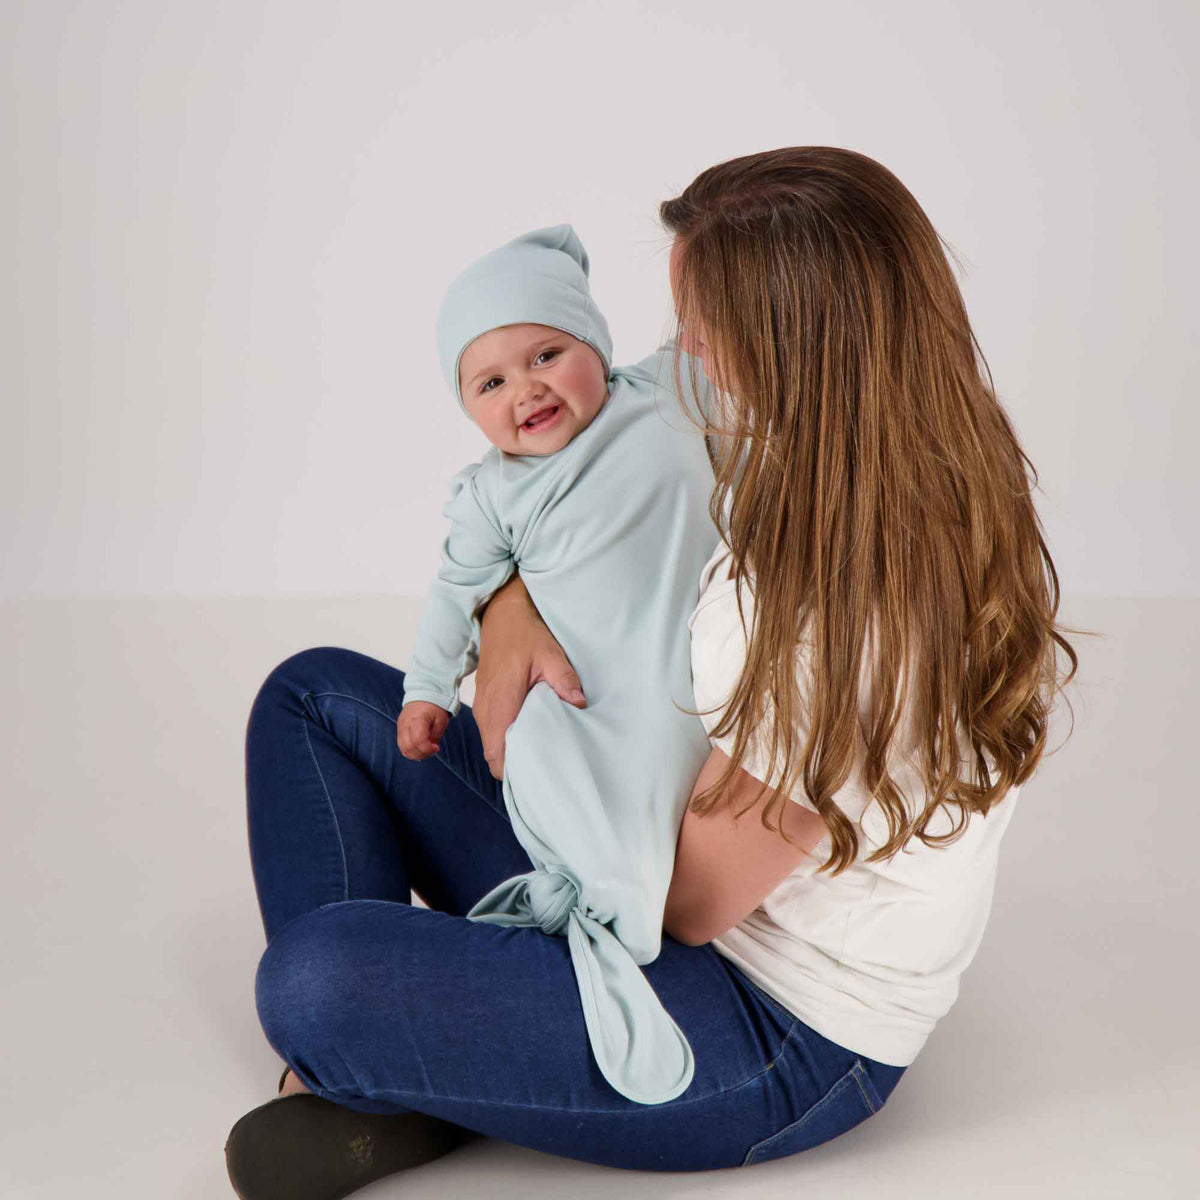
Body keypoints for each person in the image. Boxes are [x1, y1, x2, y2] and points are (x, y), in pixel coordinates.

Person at [225, 146, 1077, 1200]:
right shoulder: (826, 430)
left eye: (706, 336)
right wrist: (512, 606)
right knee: (313, 699)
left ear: (788, 349)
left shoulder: (837, 615)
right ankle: (407, 1070)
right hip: (631, 837)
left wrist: (570, 750)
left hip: (766, 1021)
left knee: (316, 979)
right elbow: (598, 489)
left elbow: (690, 906)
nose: (680, 355)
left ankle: (388, 1057)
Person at [398, 222, 721, 1105]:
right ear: (467, 408)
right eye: (490, 382)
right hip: (583, 701)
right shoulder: (494, 495)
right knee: (545, 755)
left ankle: (601, 920)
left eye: (548, 353)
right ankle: (579, 900)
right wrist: (427, 688)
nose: (526, 389)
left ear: (598, 343)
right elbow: (453, 593)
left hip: (688, 691)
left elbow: (749, 359)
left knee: (667, 792)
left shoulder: (670, 395)